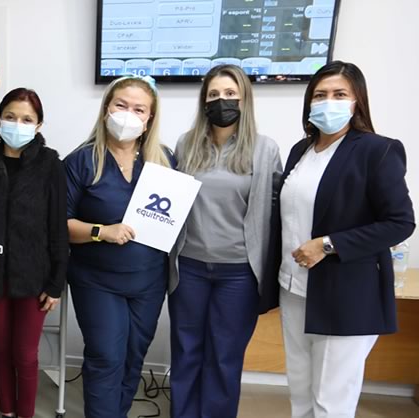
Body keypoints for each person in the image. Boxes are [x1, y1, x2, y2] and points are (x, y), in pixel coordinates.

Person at [271, 61, 415, 418]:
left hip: (346, 293)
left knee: (331, 400)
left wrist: (328, 244)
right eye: (320, 95)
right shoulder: (299, 152)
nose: (328, 102)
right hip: (295, 290)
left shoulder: (377, 150)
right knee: (301, 391)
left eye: (339, 94)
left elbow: (400, 222)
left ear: (357, 102)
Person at [167, 64, 282, 417]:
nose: (222, 101)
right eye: (214, 95)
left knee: (224, 356)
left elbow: (277, 210)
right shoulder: (186, 144)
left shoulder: (265, 149)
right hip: (189, 267)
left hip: (239, 273)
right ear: (204, 102)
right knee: (186, 352)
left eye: (231, 94)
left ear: (245, 99)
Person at [64, 75, 174, 418]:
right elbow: (59, 225)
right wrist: (101, 231)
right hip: (96, 280)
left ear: (149, 118)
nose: (128, 114)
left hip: (149, 281)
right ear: (105, 109)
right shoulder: (81, 161)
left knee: (132, 358)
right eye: (121, 105)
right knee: (105, 357)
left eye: (139, 109)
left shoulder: (165, 161)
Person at [0, 88, 68, 418]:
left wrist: (56, 283)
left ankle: (26, 414)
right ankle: (6, 412)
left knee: (25, 354)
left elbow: (58, 227)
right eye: (10, 117)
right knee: (2, 350)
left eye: (27, 119)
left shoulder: (50, 164)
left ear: (38, 125)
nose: (17, 124)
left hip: (34, 276)